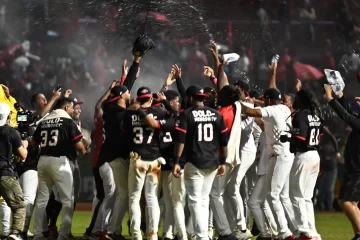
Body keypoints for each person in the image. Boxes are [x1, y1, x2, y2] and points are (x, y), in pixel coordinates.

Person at [173, 85, 228, 240]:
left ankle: (202, 236)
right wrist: (223, 162)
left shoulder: (186, 114)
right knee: (203, 200)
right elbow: (224, 142)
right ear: (203, 99)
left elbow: (181, 140)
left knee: (195, 201)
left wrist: (177, 161)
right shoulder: (217, 115)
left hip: (194, 161)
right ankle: (202, 235)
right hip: (212, 162)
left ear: (191, 98)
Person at [241, 88, 296, 240]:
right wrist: (254, 102)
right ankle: (293, 230)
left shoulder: (273, 109)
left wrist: (238, 103)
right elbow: (263, 114)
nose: (264, 103)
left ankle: (285, 233)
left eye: (265, 100)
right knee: (279, 197)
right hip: (283, 155)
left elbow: (255, 113)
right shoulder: (284, 108)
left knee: (273, 195)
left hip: (279, 155)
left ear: (269, 100)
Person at [31, 97, 86, 240]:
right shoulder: (68, 121)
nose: (73, 110)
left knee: (42, 200)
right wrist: (85, 151)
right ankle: (63, 234)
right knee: (68, 199)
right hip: (60, 162)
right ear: (66, 108)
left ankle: (37, 234)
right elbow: (79, 146)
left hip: (43, 161)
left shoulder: (45, 121)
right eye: (72, 107)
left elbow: (34, 142)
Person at [121, 87, 168, 240]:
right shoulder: (160, 112)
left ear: (138, 99)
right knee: (152, 198)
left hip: (137, 159)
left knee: (134, 198)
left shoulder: (130, 114)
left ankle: (136, 234)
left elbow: (124, 132)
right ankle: (152, 234)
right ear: (150, 98)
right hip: (154, 160)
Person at [281, 89, 323, 239]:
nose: (295, 100)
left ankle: (304, 231)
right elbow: (319, 136)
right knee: (306, 197)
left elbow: (300, 139)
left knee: (296, 195)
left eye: (297, 97)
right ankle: (313, 233)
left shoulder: (300, 115)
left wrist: (287, 138)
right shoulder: (316, 115)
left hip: (304, 156)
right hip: (315, 155)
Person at [324, 84, 360, 240]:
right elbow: (350, 113)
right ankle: (358, 234)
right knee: (353, 204)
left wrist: (330, 99)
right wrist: (340, 95)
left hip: (357, 170)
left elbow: (346, 116)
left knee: (345, 201)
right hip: (355, 168)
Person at [0, 102, 28, 240]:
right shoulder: (12, 133)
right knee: (19, 206)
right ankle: (15, 233)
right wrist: (25, 141)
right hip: (5, 174)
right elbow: (23, 155)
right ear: (8, 116)